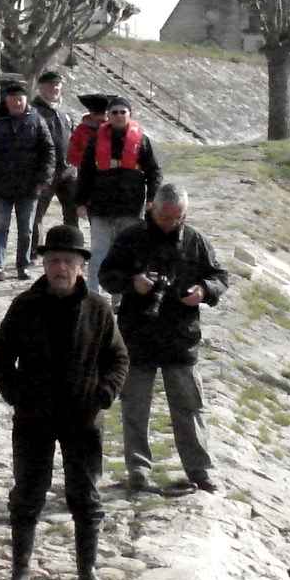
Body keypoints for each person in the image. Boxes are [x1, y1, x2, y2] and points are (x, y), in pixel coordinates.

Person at [0, 224, 130, 580]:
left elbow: (118, 358)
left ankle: (88, 572)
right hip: (33, 419)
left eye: (67, 261)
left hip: (83, 420)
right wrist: (17, 395)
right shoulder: (25, 304)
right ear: (44, 265)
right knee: (27, 495)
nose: (59, 267)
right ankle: (19, 575)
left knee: (85, 496)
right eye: (52, 261)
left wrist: (104, 394)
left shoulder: (98, 309)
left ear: (82, 266)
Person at [98, 182, 229, 494]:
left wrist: (203, 291)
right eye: (164, 217)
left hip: (180, 339)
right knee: (135, 408)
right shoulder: (131, 238)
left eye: (177, 218)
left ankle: (199, 470)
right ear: (151, 209)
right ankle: (138, 470)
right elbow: (106, 275)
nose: (170, 223)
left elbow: (220, 278)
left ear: (185, 214)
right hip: (137, 336)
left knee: (190, 407)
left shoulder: (195, 240)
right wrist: (133, 283)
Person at [0, 78, 54, 281]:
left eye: (20, 99)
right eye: (12, 99)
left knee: (26, 229)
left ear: (26, 100)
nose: (16, 103)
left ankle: (23, 265)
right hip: (1, 186)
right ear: (6, 101)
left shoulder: (37, 121)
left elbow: (48, 151)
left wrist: (43, 178)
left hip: (29, 188)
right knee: (0, 227)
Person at [75, 94, 163, 275]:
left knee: (126, 253)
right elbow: (85, 173)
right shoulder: (96, 140)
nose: (118, 115)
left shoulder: (142, 141)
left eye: (123, 112)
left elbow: (154, 171)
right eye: (114, 112)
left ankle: (120, 298)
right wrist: (81, 202)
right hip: (101, 207)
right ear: (108, 115)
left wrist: (152, 198)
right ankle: (93, 294)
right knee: (98, 252)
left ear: (130, 114)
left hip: (130, 207)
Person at [30, 70, 80, 232]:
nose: (55, 88)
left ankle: (73, 251)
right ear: (41, 88)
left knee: (73, 214)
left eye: (58, 85)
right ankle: (34, 254)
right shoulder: (33, 112)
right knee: (37, 215)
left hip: (68, 171)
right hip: (45, 172)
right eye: (51, 85)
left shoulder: (64, 112)